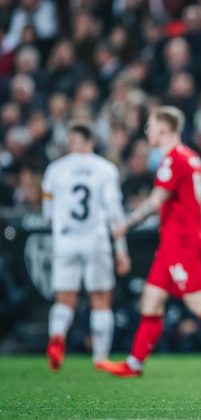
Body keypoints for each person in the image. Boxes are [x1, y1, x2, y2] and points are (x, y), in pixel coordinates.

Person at [101, 106, 201, 379]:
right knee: (151, 300)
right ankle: (134, 364)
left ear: (163, 128)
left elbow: (155, 202)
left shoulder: (173, 161)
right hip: (177, 242)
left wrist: (125, 225)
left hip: (180, 243)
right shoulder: (192, 158)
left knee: (199, 302)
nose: (147, 132)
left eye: (150, 126)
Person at [42, 121, 131, 371]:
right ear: (92, 141)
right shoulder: (105, 169)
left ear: (73, 140)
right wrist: (121, 250)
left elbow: (47, 214)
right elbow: (115, 212)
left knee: (64, 298)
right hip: (95, 239)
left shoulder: (55, 170)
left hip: (65, 240)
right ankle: (100, 358)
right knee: (101, 298)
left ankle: (57, 336)